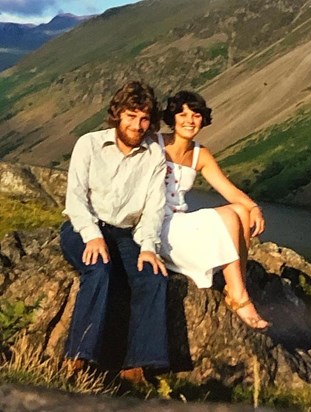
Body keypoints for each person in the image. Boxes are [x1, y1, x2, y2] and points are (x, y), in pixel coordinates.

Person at [60, 81, 169, 383]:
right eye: (131, 116)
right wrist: (91, 235)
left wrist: (148, 245)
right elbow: (76, 198)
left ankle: (138, 366)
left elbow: (154, 207)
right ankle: (79, 359)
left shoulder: (154, 155)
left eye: (144, 118)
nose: (138, 125)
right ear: (118, 114)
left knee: (153, 275)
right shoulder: (90, 144)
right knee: (99, 269)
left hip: (125, 234)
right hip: (84, 227)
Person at [158, 90, 269, 330]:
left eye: (196, 115)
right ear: (172, 117)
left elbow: (229, 191)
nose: (189, 120)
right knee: (229, 214)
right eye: (182, 114)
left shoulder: (200, 153)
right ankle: (240, 297)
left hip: (179, 221)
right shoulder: (156, 144)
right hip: (157, 225)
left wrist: (254, 208)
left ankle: (234, 285)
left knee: (240, 210)